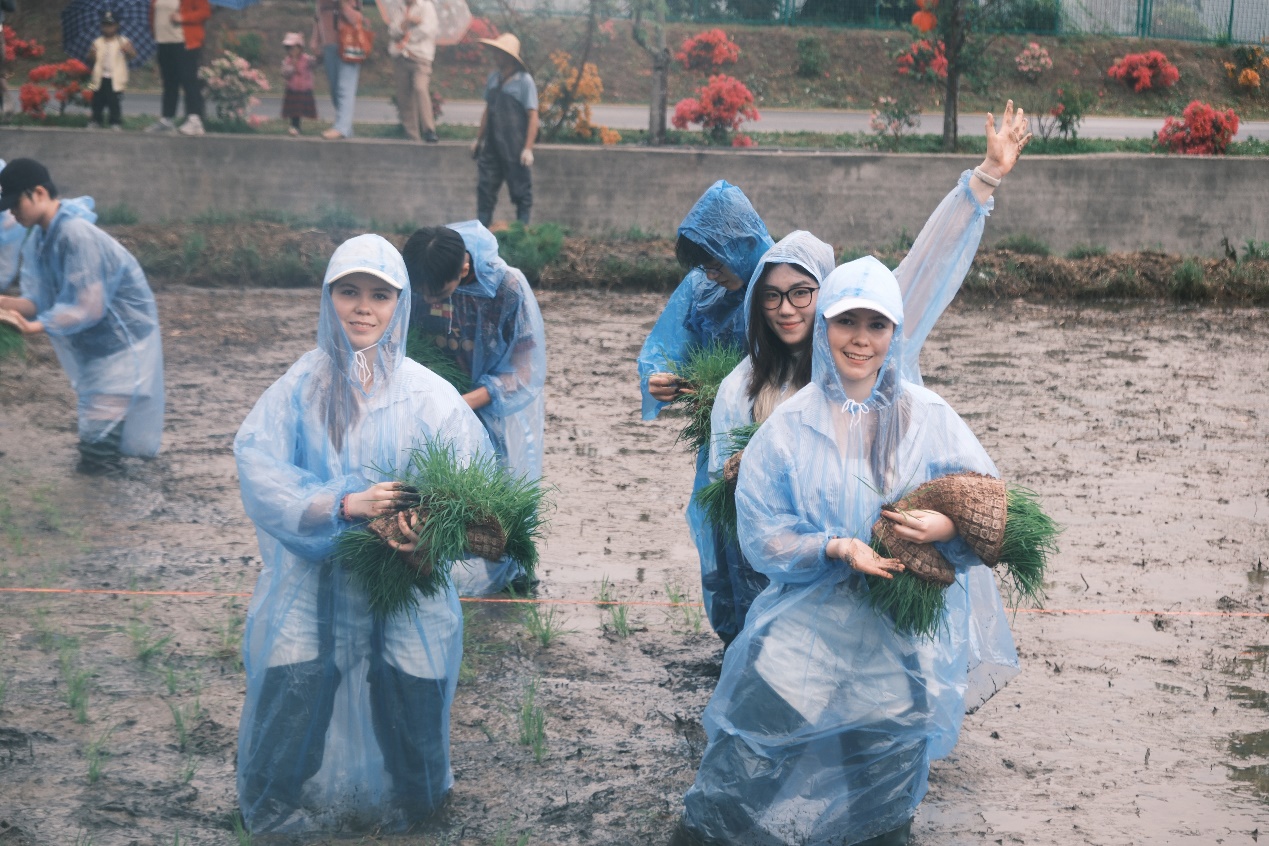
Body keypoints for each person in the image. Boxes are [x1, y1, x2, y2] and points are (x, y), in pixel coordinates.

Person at [705, 101, 1033, 642]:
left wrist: (984, 179)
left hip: (892, 599)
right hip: (806, 595)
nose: (788, 308)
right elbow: (748, 519)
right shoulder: (744, 389)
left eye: (803, 293)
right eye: (772, 296)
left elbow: (928, 263)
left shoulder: (886, 371)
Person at [234, 234, 491, 833]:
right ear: (327, 298)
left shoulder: (432, 399)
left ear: (400, 304)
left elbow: (478, 502)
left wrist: (427, 535)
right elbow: (261, 473)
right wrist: (343, 505)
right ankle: (272, 807)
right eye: (348, 292)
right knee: (296, 679)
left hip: (406, 579)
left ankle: (420, 802)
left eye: (379, 294)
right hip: (311, 574)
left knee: (412, 681)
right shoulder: (300, 389)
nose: (362, 307)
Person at [636, 179, 772, 646]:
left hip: (774, 440)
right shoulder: (700, 288)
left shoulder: (780, 281)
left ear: (739, 245)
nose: (710, 275)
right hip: (716, 441)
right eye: (703, 266)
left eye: (715, 263)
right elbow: (666, 346)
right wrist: (661, 378)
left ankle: (769, 642)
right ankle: (734, 643)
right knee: (719, 537)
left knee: (766, 540)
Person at [402, 221, 546, 595]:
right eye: (423, 294)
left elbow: (525, 369)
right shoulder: (423, 281)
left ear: (463, 269)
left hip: (488, 408)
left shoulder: (508, 288)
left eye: (439, 293)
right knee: (427, 487)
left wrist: (464, 403)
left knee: (493, 492)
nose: (430, 301)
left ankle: (513, 575)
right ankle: (422, 566)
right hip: (429, 405)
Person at [0, 158, 165, 474]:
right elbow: (38, 300)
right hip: (97, 354)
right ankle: (119, 512)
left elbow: (90, 306)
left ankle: (111, 517)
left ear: (38, 193)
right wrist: (6, 303)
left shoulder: (76, 233)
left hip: (121, 350)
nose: (11, 213)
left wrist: (37, 327)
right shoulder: (40, 239)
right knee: (106, 449)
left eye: (15, 203)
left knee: (98, 451)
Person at [473, 33, 537, 225]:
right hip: (492, 146)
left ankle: (521, 231)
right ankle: (482, 233)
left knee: (521, 192)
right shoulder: (493, 79)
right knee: (485, 191)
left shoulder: (524, 81)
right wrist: (479, 139)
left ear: (510, 57)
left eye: (500, 53)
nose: (496, 56)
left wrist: (528, 148)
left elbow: (533, 116)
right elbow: (487, 110)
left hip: (514, 147)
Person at [384, 0, 439, 143]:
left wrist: (407, 34)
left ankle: (429, 129)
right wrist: (407, 23)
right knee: (404, 97)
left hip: (420, 57)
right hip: (401, 56)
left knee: (420, 88)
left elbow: (428, 30)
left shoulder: (426, 6)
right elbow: (393, 31)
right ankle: (412, 136)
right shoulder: (397, 7)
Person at [313, 0, 365, 141]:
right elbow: (319, 17)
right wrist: (316, 41)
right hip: (329, 44)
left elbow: (357, 19)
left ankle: (341, 127)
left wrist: (343, 6)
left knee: (345, 87)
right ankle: (346, 127)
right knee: (334, 89)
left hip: (349, 42)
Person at [86, 11, 137, 131]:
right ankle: (95, 120)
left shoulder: (123, 41)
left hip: (116, 78)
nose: (108, 28)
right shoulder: (97, 42)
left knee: (114, 101)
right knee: (96, 100)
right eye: (105, 25)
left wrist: (128, 51)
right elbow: (90, 59)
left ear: (117, 26)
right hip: (98, 77)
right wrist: (92, 54)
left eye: (111, 25)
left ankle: (115, 121)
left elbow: (132, 55)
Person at [168, 0, 211, 136]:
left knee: (190, 79)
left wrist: (183, 18)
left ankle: (195, 119)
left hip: (189, 42)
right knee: (177, 80)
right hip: (172, 41)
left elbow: (204, 12)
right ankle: (185, 118)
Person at [280, 32, 318, 137]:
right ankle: (294, 126)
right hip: (292, 89)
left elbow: (314, 64)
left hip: (304, 89)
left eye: (295, 48)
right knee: (294, 110)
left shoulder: (306, 59)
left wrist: (316, 55)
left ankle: (298, 126)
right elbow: (285, 73)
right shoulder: (287, 61)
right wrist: (292, 65)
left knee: (301, 108)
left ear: (300, 48)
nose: (292, 51)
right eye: (289, 49)